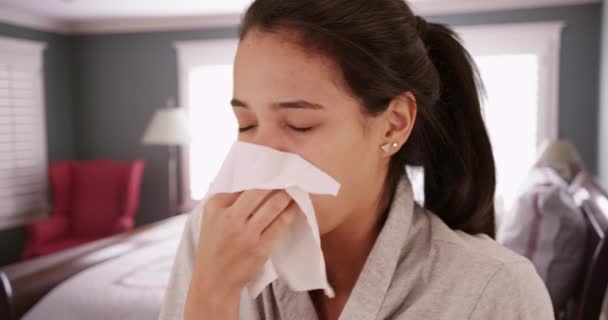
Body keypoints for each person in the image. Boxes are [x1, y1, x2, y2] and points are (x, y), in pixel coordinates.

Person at [159, 0, 554, 319]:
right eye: (245, 124)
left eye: (299, 125)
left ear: (393, 125)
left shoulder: (494, 291)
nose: (260, 156)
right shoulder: (208, 237)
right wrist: (212, 294)